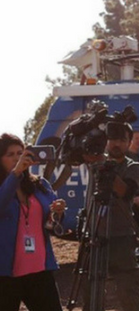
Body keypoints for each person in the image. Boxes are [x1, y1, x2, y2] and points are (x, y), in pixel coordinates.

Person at [0, 133, 66, 311]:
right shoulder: (4, 188)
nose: (17, 158)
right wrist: (15, 174)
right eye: (10, 154)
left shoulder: (40, 185)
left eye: (20, 153)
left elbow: (53, 222)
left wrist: (57, 212)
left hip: (39, 269)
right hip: (5, 273)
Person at [82, 123, 139, 311]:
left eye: (122, 139)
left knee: (128, 294)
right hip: (94, 235)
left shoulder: (134, 167)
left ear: (129, 142)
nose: (117, 143)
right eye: (113, 139)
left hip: (121, 236)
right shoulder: (95, 161)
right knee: (92, 295)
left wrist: (104, 166)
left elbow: (124, 192)